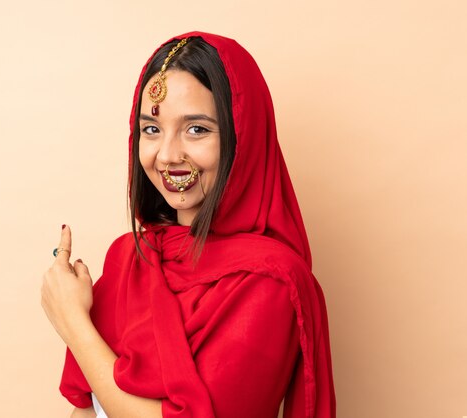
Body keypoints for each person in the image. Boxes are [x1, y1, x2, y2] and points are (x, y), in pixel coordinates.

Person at [40, 31, 336, 418]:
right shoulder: (130, 257)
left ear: (242, 136)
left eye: (196, 129)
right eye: (151, 129)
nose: (167, 155)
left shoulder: (272, 282)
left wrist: (72, 322)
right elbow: (86, 408)